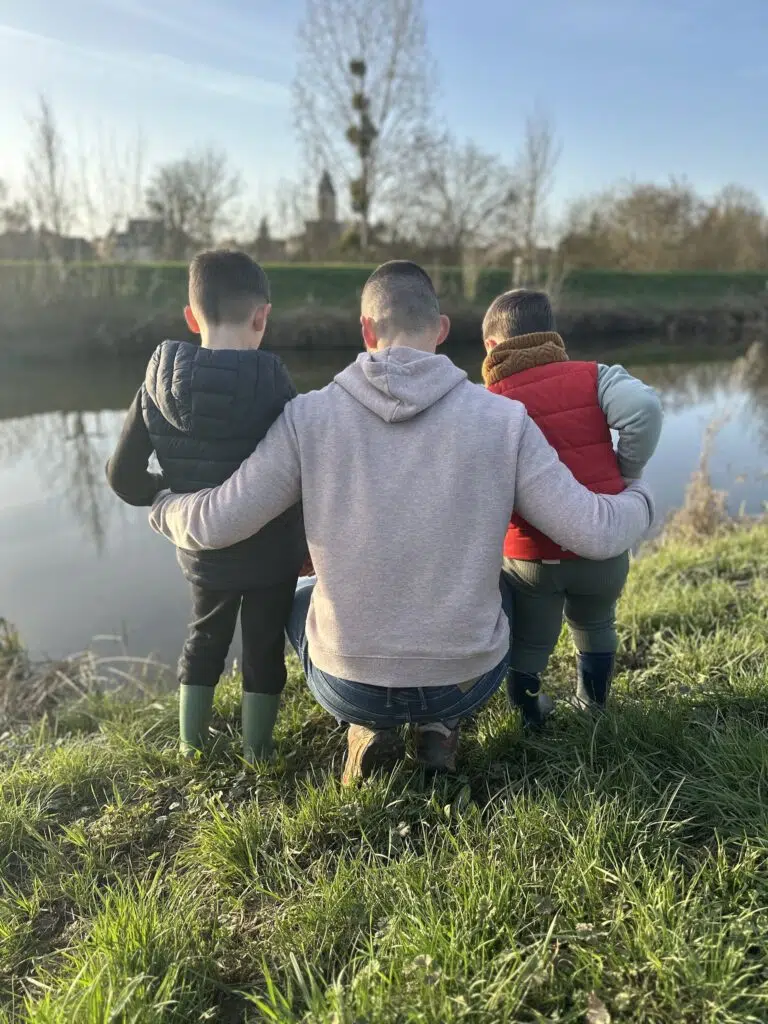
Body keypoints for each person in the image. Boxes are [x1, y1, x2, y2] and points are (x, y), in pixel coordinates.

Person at [148, 261, 656, 783]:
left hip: (348, 682)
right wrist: (638, 491)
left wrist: (161, 504)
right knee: (506, 589)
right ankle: (440, 724)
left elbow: (216, 523)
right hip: (466, 678)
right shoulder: (503, 420)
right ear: (440, 330)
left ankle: (367, 726)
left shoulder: (308, 416)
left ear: (366, 330)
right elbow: (594, 532)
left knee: (298, 595)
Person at [105, 249, 306, 762]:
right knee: (263, 649)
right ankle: (258, 751)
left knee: (203, 640)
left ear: (191, 316)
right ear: (262, 317)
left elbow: (121, 475)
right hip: (271, 556)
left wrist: (165, 498)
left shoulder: (155, 384)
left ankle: (191, 747)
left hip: (200, 551)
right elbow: (303, 471)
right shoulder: (275, 384)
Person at [481, 288, 663, 726]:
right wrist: (627, 470)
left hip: (530, 557)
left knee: (529, 645)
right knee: (597, 625)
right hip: (601, 550)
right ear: (552, 334)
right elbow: (644, 408)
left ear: (491, 346)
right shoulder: (594, 376)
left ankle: (532, 716)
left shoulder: (489, 402)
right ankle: (593, 707)